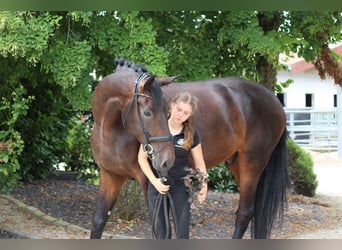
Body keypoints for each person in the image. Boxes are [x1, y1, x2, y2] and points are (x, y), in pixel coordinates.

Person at [138, 92, 208, 239]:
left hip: (181, 186)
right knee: (160, 232)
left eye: (186, 112)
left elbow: (200, 163)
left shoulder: (191, 135)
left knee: (182, 232)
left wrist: (204, 184)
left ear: (190, 115)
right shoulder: (155, 129)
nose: (180, 114)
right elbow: (142, 158)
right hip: (157, 184)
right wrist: (154, 181)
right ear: (172, 106)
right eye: (179, 109)